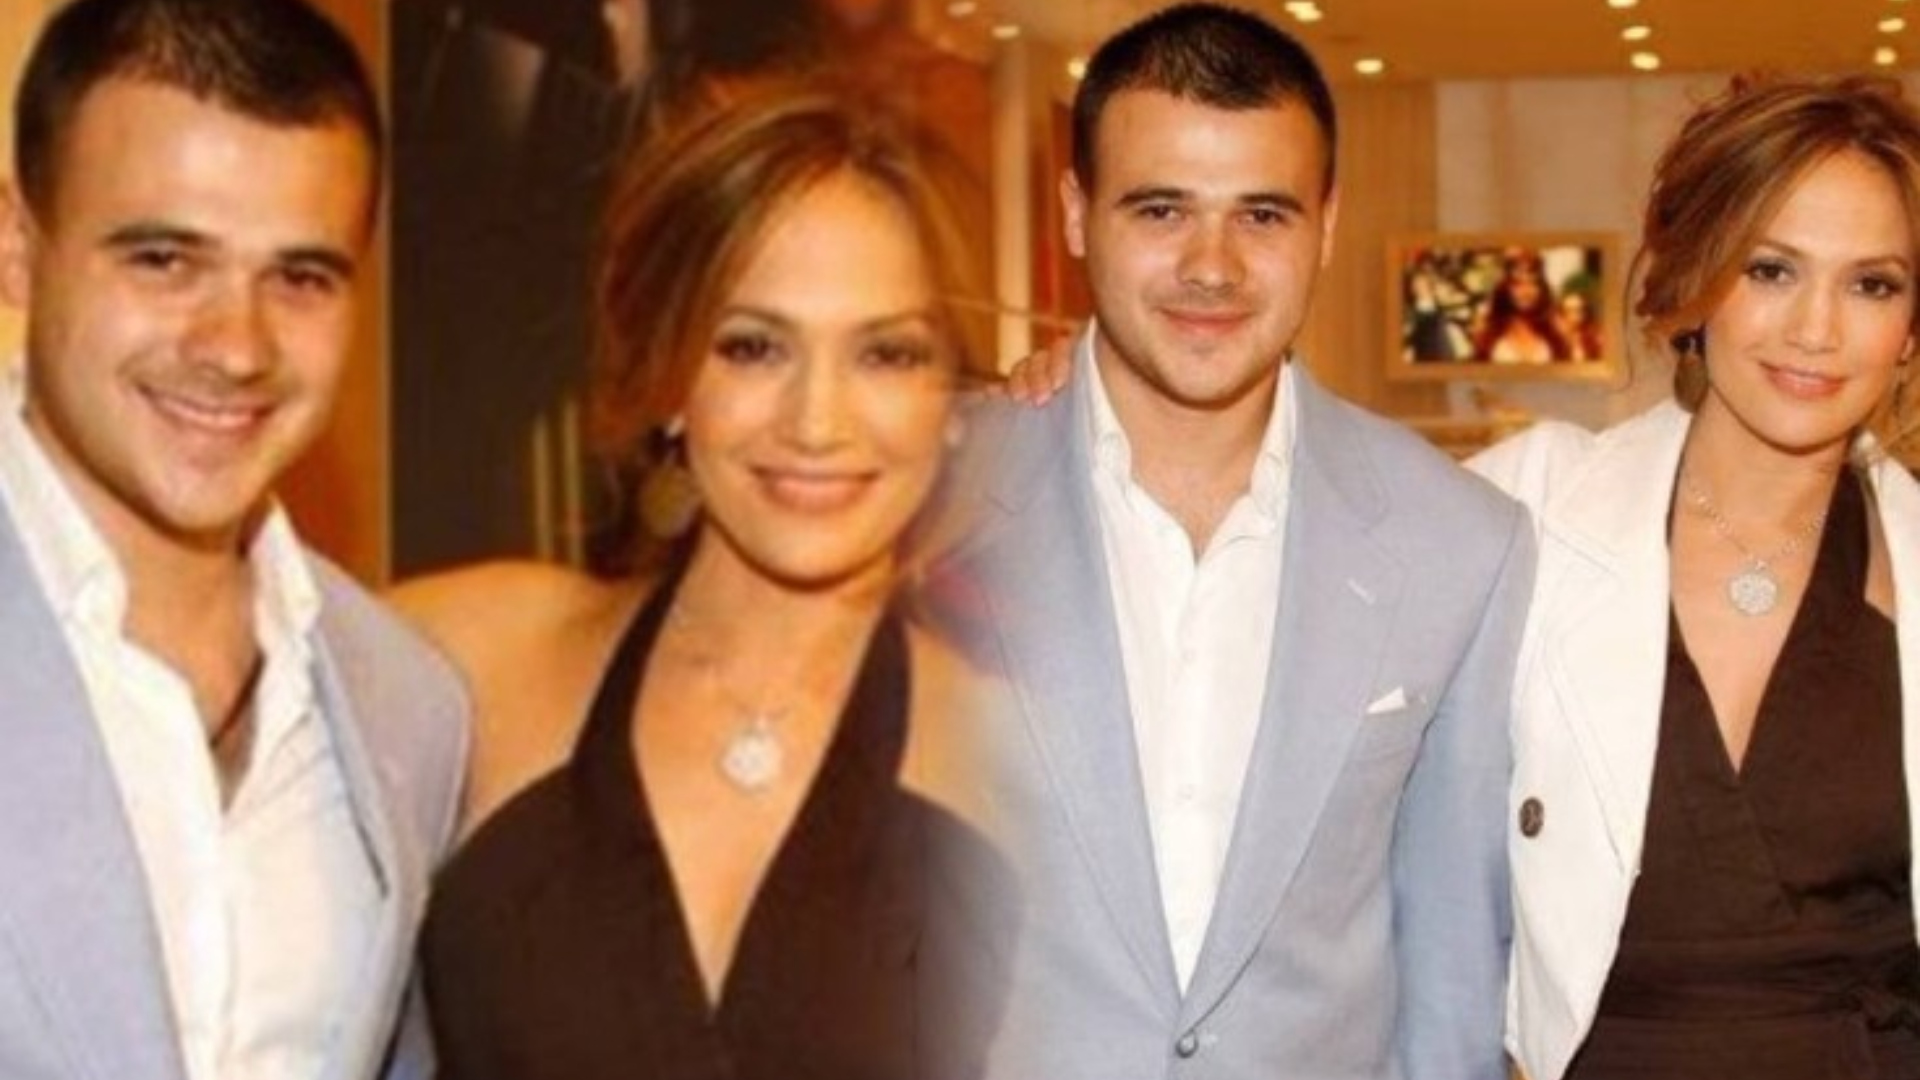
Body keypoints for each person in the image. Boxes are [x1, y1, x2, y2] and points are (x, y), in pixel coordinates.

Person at [940, 4, 1532, 1077]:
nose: (1210, 266)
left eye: (1262, 214)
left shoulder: (1460, 543)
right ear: (1076, 214)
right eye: (1161, 208)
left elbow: (1451, 967)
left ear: (1326, 226)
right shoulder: (923, 503)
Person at [391, 84, 1005, 1080]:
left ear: (953, 400)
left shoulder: (1034, 774)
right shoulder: (467, 659)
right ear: (672, 379)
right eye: (752, 346)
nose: (816, 422)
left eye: (887, 354)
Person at [0, 1, 469, 1079]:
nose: (236, 348)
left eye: (300, 278)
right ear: (19, 248)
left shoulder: (408, 707)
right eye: (165, 260)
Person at [1474, 73, 1920, 1080]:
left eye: (1872, 285)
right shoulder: (1529, 508)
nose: (1816, 329)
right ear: (1696, 278)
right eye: (1771, 269)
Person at [1475, 250, 1571, 363]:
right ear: (1506, 288)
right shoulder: (1489, 336)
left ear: (1541, 289)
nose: (1526, 291)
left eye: (1533, 283)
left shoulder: (1554, 337)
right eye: (1517, 284)